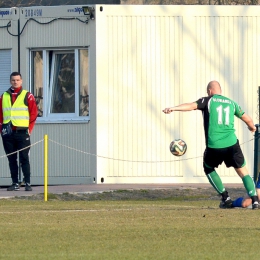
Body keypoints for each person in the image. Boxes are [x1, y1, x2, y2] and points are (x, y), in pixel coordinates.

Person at [163, 80, 259, 210]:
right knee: (243, 172)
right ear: (221, 91)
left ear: (209, 91)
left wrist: (173, 108)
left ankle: (226, 198)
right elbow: (247, 118)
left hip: (215, 146)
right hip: (232, 144)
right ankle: (255, 201)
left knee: (208, 167)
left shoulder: (208, 100)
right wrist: (252, 127)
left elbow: (191, 106)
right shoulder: (231, 103)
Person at [0, 72, 38, 191]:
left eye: (17, 80)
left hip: (22, 132)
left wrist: (29, 129)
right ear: (10, 81)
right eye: (13, 80)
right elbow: (1, 114)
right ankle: (15, 182)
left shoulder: (28, 95)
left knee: (24, 157)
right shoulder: (4, 96)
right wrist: (1, 130)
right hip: (8, 133)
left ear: (21, 81)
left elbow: (34, 113)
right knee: (11, 159)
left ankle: (27, 183)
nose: (15, 82)